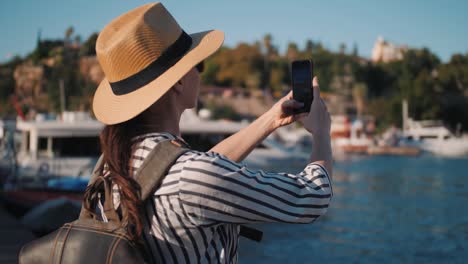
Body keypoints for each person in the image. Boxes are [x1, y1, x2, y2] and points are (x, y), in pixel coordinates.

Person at [90, 2, 333, 263]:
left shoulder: (108, 169)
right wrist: (321, 133)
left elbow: (188, 171)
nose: (201, 72)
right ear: (179, 80)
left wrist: (271, 120)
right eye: (199, 64)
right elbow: (312, 197)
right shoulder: (192, 176)